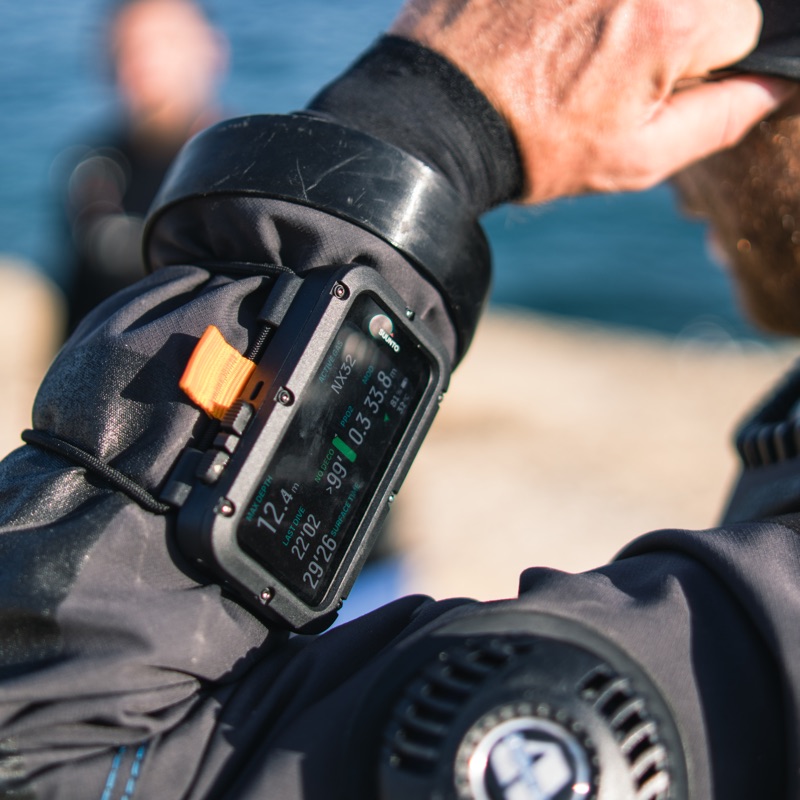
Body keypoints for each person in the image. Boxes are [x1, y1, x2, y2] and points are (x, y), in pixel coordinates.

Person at [1, 0, 798, 798]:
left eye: (687, 80)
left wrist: (426, 116)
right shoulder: (93, 170)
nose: (680, 187)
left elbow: (46, 749)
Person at [54, 0, 227, 333]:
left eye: (165, 42)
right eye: (127, 49)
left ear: (213, 50)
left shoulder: (243, 165)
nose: (145, 63)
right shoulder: (94, 170)